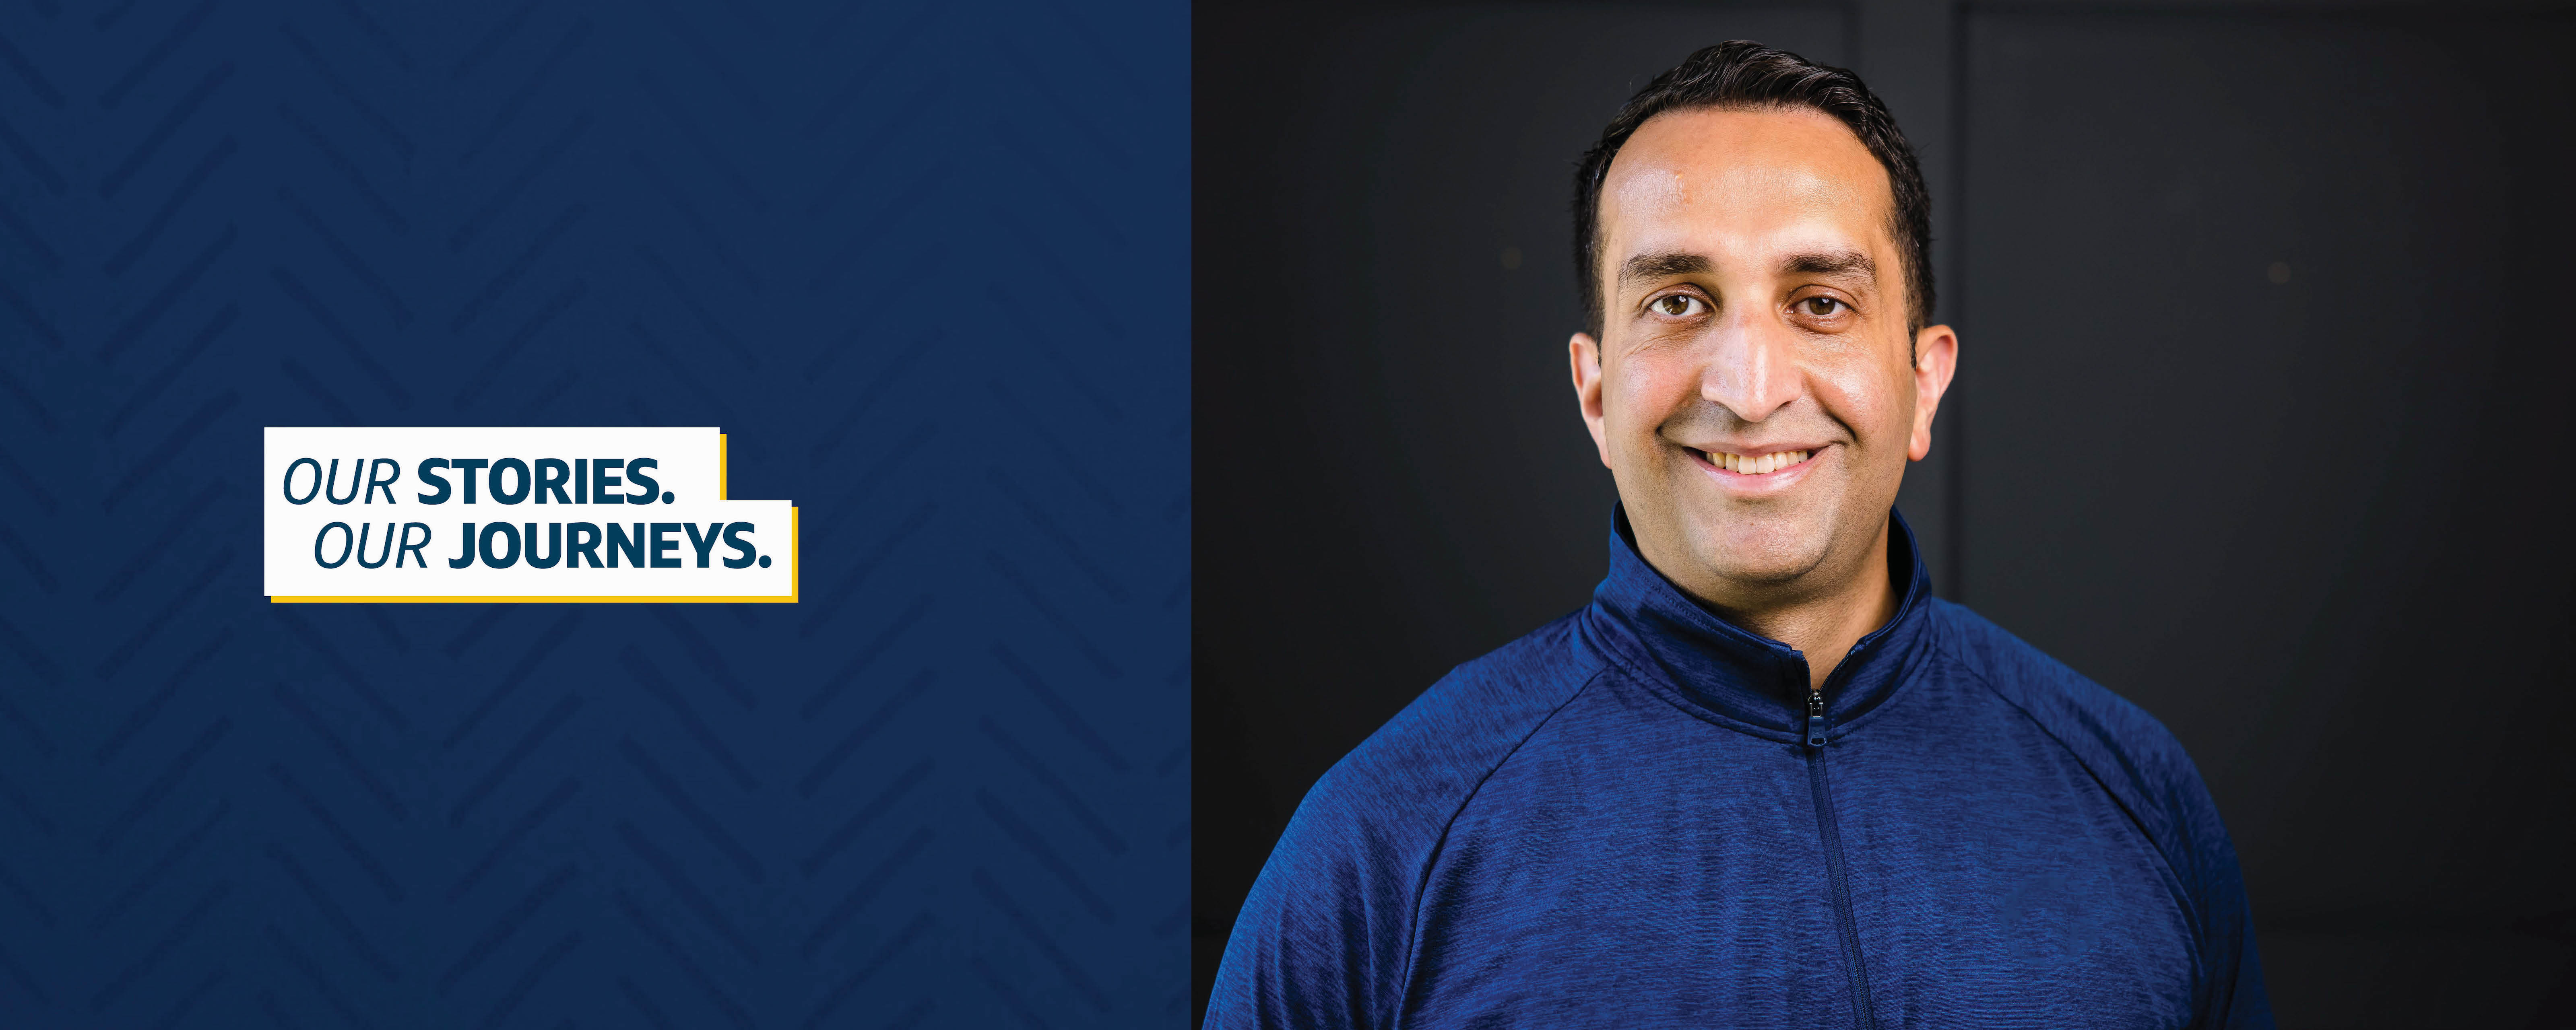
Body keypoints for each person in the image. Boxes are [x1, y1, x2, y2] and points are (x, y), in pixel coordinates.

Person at [1205, 41, 2270, 1028]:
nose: (1751, 391)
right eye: (1677, 302)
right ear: (1593, 392)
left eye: (1819, 302)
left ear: (1924, 380)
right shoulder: (1383, 846)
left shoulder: (2137, 796)